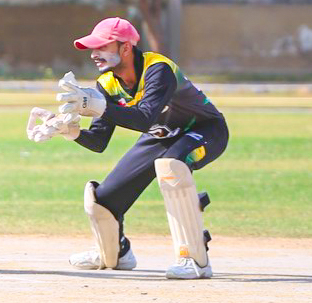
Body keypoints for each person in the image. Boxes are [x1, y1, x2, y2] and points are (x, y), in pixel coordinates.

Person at [26, 17, 228, 280]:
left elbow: (143, 118)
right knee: (103, 200)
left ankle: (195, 259)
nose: (94, 54)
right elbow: (98, 141)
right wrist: (70, 131)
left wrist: (98, 106)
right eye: (92, 48)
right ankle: (115, 253)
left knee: (172, 166)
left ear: (125, 48)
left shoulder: (158, 69)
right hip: (160, 136)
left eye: (102, 47)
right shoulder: (107, 83)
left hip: (205, 130)